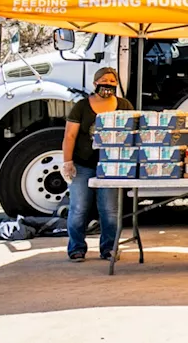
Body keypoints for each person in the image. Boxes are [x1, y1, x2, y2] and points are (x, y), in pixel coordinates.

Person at [61, 66, 133, 262]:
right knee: (78, 208)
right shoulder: (82, 106)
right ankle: (76, 248)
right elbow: (70, 135)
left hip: (112, 167)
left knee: (110, 210)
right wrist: (67, 162)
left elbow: (132, 134)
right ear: (94, 84)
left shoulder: (124, 105)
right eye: (104, 80)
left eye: (112, 81)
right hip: (83, 165)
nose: (108, 85)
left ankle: (109, 248)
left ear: (117, 84)